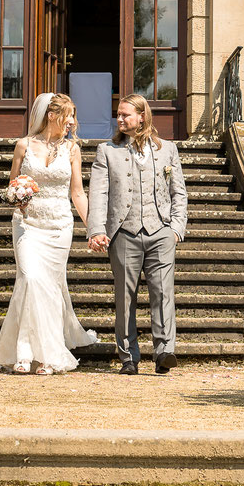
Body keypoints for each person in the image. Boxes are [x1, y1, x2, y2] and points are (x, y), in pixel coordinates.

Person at [0, 92, 97, 376]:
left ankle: (49, 355)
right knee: (29, 278)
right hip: (27, 224)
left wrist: (93, 228)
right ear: (51, 116)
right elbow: (10, 187)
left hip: (60, 225)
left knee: (50, 288)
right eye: (69, 115)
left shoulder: (72, 149)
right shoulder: (23, 146)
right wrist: (17, 197)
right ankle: (24, 352)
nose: (73, 122)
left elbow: (77, 192)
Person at [87, 94, 188, 375]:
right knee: (125, 297)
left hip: (161, 231)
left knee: (163, 293)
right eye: (118, 115)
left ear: (142, 116)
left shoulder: (167, 149)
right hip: (124, 232)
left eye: (125, 114)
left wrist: (176, 228)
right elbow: (98, 193)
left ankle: (165, 351)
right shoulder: (106, 151)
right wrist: (96, 230)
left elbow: (178, 191)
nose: (119, 119)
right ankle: (128, 357)